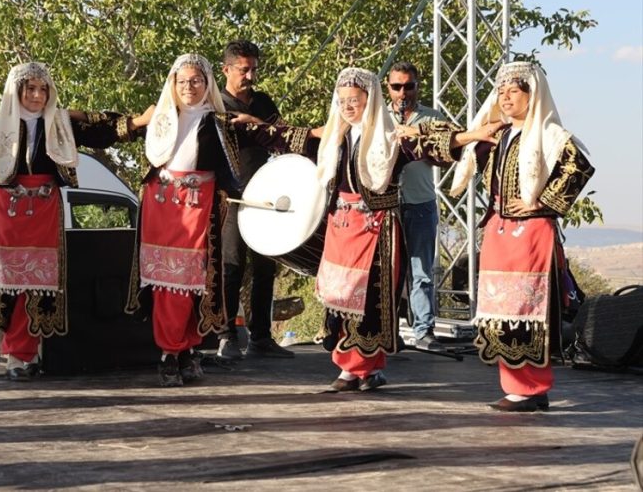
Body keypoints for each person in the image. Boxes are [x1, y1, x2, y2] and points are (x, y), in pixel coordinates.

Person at [0, 62, 147, 380]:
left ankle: (31, 352)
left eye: (43, 89)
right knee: (12, 284)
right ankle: (14, 355)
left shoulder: (61, 123)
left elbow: (101, 126)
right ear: (16, 90)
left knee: (40, 284)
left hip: (45, 208)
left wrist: (139, 121)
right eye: (30, 88)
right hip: (8, 212)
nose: (37, 95)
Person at [245, 66, 457, 393]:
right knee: (340, 298)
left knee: (367, 300)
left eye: (354, 100)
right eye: (342, 100)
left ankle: (355, 367)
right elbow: (287, 136)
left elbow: (438, 145)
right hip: (341, 227)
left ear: (369, 100)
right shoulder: (334, 138)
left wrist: (467, 136)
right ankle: (363, 369)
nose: (347, 106)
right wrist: (256, 126)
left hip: (376, 231)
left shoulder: (389, 139)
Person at [447, 61, 593, 412]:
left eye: (514, 91)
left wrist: (541, 203)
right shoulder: (497, 134)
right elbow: (460, 151)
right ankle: (516, 385)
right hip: (499, 230)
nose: (506, 97)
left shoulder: (548, 133)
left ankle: (533, 387)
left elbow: (579, 166)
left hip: (531, 234)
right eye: (501, 91)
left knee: (528, 308)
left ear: (532, 95)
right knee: (500, 307)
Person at [126, 53, 271, 387]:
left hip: (198, 208)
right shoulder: (161, 117)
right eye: (182, 82)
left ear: (208, 84)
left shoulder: (221, 121)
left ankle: (186, 348)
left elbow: (266, 138)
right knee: (165, 282)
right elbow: (109, 128)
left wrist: (259, 124)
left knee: (194, 282)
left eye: (195, 81)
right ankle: (169, 353)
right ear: (173, 85)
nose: (189, 87)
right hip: (162, 206)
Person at [215, 40, 292, 360]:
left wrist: (259, 124)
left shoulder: (262, 101)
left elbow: (284, 136)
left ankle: (260, 336)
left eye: (253, 69)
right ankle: (225, 334)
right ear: (227, 69)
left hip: (264, 196)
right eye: (243, 69)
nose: (249, 75)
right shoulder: (214, 102)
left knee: (264, 268)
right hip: (230, 198)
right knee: (231, 266)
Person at [386, 62, 446, 350]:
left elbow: (446, 153)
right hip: (386, 204)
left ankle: (423, 330)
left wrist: (417, 137)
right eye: (396, 86)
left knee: (420, 271)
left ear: (417, 86)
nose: (402, 92)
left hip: (420, 202)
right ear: (388, 87)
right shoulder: (378, 118)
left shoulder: (432, 118)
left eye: (408, 86)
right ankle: (388, 330)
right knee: (388, 271)